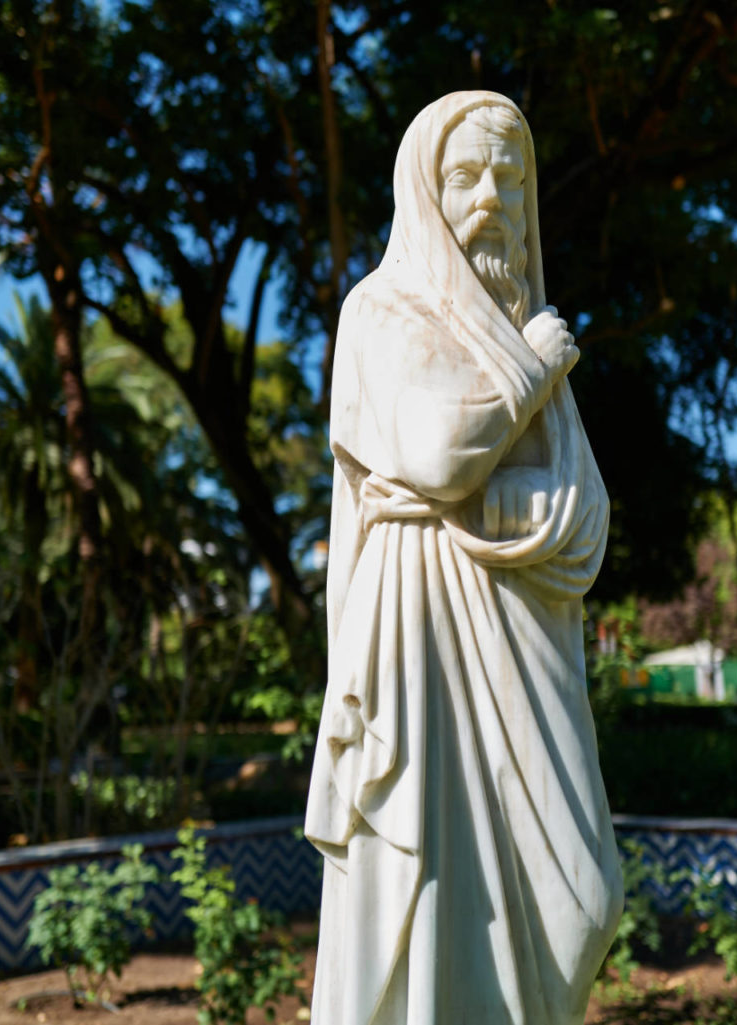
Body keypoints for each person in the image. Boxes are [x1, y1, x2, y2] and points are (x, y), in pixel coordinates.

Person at [305, 90, 622, 1025]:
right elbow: (437, 456)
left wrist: (471, 492)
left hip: (526, 642)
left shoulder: (520, 326)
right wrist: (529, 371)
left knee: (587, 900)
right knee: (430, 889)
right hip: (416, 647)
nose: (491, 197)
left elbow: (586, 515)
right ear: (425, 188)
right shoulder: (383, 311)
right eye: (466, 175)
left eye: (510, 178)